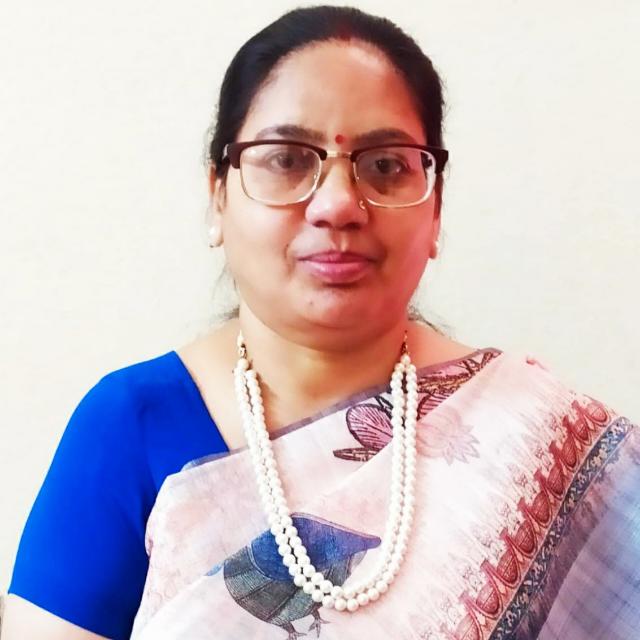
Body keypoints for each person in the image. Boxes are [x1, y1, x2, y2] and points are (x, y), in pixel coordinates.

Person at [3, 5, 639, 640]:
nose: (337, 204)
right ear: (218, 196)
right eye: (287, 159)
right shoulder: (130, 427)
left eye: (385, 165)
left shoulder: (545, 443)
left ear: (436, 208)